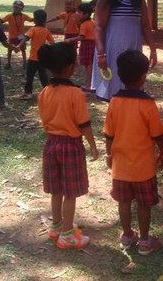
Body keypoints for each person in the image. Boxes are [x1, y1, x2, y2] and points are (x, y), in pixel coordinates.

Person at [103, 50, 163, 255]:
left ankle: (127, 235)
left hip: (121, 165)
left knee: (123, 202)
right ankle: (146, 241)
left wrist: (109, 155)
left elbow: (109, 133)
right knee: (143, 205)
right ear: (143, 77)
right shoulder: (148, 104)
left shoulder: (114, 101)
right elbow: (157, 134)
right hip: (143, 168)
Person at [37, 42, 99, 249]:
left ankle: (56, 226)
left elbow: (45, 121)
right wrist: (92, 145)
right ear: (71, 66)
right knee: (70, 192)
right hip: (71, 146)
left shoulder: (44, 92)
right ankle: (68, 235)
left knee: (56, 189)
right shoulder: (75, 94)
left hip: (51, 143)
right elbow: (84, 124)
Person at [92, 0, 158, 101]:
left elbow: (145, 25)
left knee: (134, 86)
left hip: (134, 49)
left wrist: (153, 49)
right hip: (112, 49)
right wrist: (101, 54)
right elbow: (99, 26)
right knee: (115, 89)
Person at [16, 9, 55, 100]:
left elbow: (25, 38)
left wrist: (18, 46)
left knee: (30, 76)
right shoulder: (46, 30)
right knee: (43, 77)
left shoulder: (33, 29)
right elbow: (52, 43)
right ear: (44, 20)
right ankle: (48, 92)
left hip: (33, 58)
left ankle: (28, 93)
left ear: (35, 19)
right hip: (42, 59)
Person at [65, 3, 96, 92]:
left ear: (85, 14)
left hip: (87, 44)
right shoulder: (90, 22)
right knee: (89, 65)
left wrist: (70, 40)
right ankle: (90, 83)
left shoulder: (85, 24)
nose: (77, 14)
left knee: (88, 65)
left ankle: (89, 85)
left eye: (79, 12)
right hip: (91, 43)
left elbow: (82, 37)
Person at [2, 0, 32, 70]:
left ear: (22, 9)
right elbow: (1, 21)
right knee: (9, 50)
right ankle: (8, 64)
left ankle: (24, 64)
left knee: (23, 50)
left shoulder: (24, 16)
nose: (16, 9)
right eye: (15, 7)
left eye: (18, 8)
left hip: (21, 36)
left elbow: (31, 20)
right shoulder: (9, 16)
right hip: (12, 36)